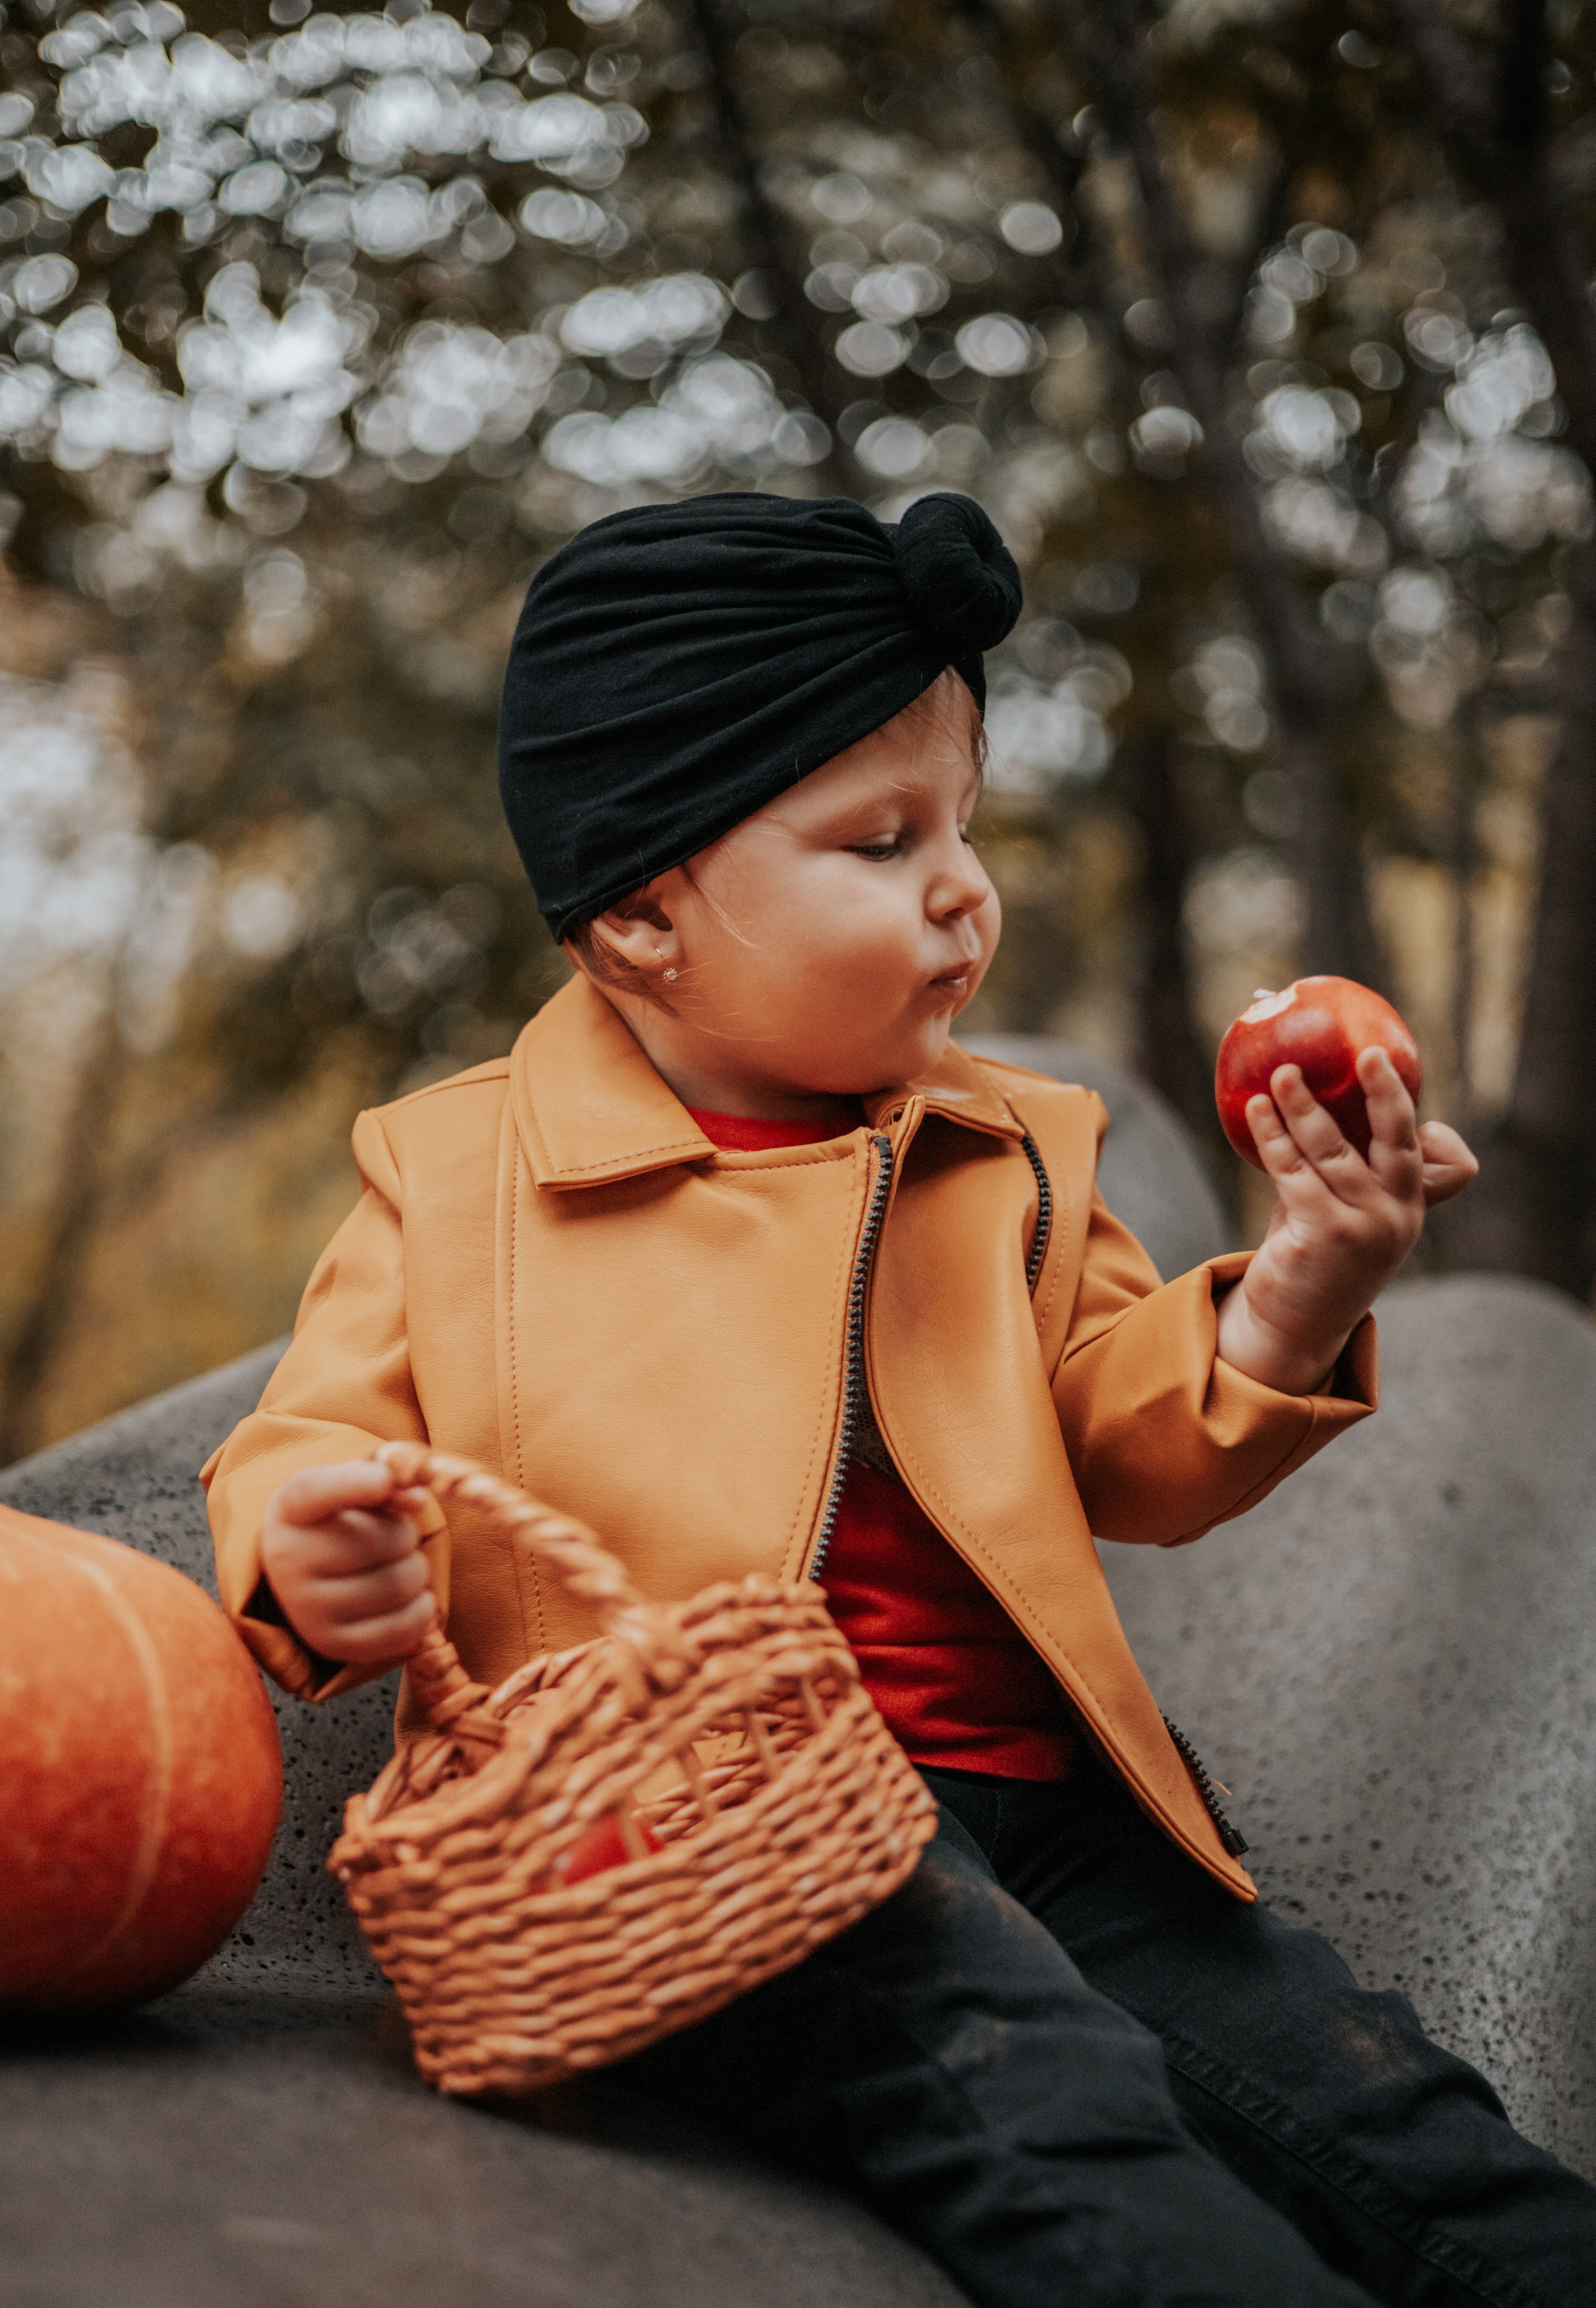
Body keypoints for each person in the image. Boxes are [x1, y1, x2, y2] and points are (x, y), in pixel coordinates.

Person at [204, 492, 1595, 2307]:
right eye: (879, 840)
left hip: (1050, 1813)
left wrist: (1305, 1284)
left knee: (1391, 2116)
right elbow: (307, 1436)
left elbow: (1122, 1445)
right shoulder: (457, 1178)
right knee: (1052, 2110)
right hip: (708, 1829)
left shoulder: (1008, 1146)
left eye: (964, 823)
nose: (961, 886)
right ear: (640, 913)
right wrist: (310, 1547)